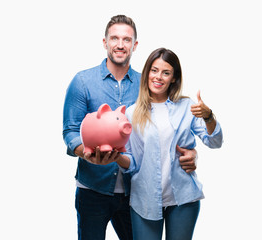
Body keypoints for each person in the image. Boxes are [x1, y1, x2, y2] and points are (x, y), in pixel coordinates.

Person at [62, 15, 197, 240]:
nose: (120, 44)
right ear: (105, 43)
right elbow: (70, 131)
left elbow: (168, 127)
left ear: (135, 45)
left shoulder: (148, 85)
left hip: (134, 193)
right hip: (92, 188)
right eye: (114, 38)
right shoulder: (83, 81)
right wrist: (86, 154)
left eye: (126, 39)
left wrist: (191, 152)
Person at [110, 48, 223, 240]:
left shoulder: (187, 107)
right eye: (154, 70)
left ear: (174, 78)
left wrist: (209, 116)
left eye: (166, 72)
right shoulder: (132, 113)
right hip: (144, 200)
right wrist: (117, 157)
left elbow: (214, 141)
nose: (158, 77)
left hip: (183, 199)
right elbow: (133, 162)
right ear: (147, 73)